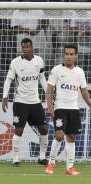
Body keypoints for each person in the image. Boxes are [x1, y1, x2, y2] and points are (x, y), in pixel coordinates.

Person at [2, 38, 48, 167]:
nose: (25, 49)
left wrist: (49, 95)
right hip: (20, 102)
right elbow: (8, 80)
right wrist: (4, 97)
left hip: (35, 102)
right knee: (18, 130)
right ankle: (15, 159)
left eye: (27, 47)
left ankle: (42, 157)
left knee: (44, 129)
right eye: (23, 47)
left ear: (32, 47)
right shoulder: (15, 62)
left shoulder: (39, 61)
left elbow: (42, 79)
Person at [45, 44, 91, 175]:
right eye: (66, 54)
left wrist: (90, 104)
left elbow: (84, 91)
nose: (68, 56)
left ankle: (69, 167)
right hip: (60, 107)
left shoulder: (80, 72)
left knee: (71, 136)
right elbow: (49, 91)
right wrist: (50, 107)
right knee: (59, 135)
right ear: (64, 55)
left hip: (73, 108)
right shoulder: (57, 70)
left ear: (76, 56)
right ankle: (51, 164)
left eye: (71, 54)